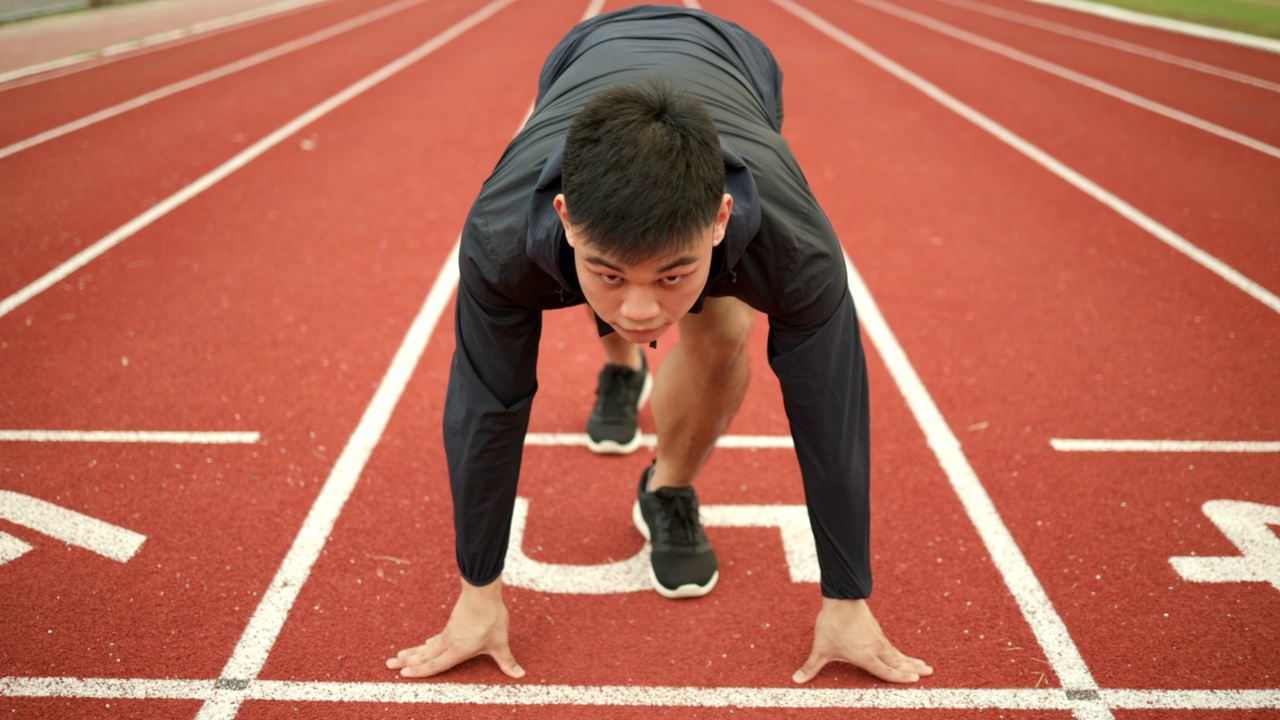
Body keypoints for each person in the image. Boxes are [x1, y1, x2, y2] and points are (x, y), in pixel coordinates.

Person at [387, 4, 932, 685]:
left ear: (720, 219)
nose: (642, 309)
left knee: (724, 334)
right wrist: (477, 592)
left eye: (673, 275)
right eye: (608, 274)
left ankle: (666, 488)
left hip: (737, 65)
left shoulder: (795, 249)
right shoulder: (499, 240)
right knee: (613, 291)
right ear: (562, 212)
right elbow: (486, 405)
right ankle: (620, 368)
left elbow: (831, 412)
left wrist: (848, 600)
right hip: (578, 61)